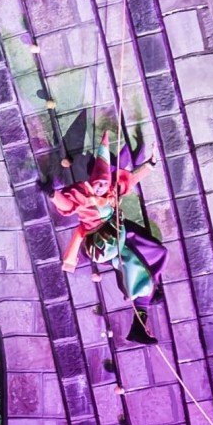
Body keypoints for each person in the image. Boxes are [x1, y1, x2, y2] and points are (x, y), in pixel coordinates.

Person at [49, 127, 167, 344]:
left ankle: (141, 311)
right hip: (102, 239)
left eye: (105, 183)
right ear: (92, 183)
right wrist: (53, 194)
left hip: (115, 236)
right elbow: (67, 205)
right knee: (147, 259)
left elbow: (129, 180)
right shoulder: (85, 197)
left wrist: (150, 165)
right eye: (99, 183)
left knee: (147, 257)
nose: (102, 186)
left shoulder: (110, 190)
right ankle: (143, 305)